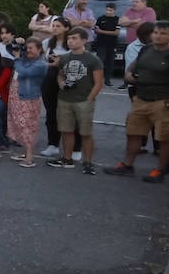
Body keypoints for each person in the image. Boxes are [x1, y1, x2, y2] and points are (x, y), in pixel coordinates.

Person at [105, 21, 169, 182]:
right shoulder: (146, 50)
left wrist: (168, 103)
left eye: (163, 33)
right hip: (140, 99)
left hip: (162, 102)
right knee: (133, 133)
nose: (158, 36)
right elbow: (132, 68)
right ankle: (127, 165)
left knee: (164, 138)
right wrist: (129, 75)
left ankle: (160, 171)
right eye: (156, 32)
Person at [47, 28, 105, 172]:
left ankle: (88, 162)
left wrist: (90, 99)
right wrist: (61, 83)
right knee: (66, 131)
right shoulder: (65, 58)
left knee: (85, 133)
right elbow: (60, 75)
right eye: (69, 38)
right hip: (65, 99)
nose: (70, 41)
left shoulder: (93, 59)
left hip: (83, 100)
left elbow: (98, 83)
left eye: (74, 38)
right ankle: (67, 158)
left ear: (84, 40)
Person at [9, 38, 48, 167]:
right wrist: (16, 44)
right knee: (19, 124)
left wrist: (17, 58)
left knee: (28, 125)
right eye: (27, 47)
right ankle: (25, 152)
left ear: (39, 49)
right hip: (17, 95)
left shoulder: (41, 64)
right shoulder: (26, 59)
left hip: (29, 97)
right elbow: (10, 49)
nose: (28, 51)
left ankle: (30, 157)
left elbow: (25, 72)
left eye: (31, 48)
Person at [38, 18, 72, 160]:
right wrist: (49, 64)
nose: (55, 28)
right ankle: (53, 144)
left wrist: (61, 61)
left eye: (58, 26)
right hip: (49, 80)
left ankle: (75, 147)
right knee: (51, 113)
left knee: (68, 114)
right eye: (54, 26)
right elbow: (40, 61)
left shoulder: (71, 44)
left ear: (66, 28)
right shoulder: (47, 43)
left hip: (67, 79)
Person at [118, 0, 157, 89]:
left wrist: (129, 22)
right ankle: (127, 80)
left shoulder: (149, 11)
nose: (134, 3)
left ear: (144, 3)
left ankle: (142, 80)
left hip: (145, 42)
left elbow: (145, 25)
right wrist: (136, 21)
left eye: (137, 2)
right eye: (133, 1)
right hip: (130, 42)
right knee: (129, 62)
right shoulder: (129, 11)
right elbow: (120, 22)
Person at [94, 3, 120, 81]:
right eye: (107, 10)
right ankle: (98, 78)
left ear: (114, 10)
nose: (108, 12)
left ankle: (108, 80)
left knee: (110, 62)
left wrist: (102, 31)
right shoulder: (100, 19)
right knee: (100, 61)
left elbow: (116, 33)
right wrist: (99, 31)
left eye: (110, 10)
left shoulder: (118, 20)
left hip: (112, 44)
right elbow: (96, 30)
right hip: (101, 43)